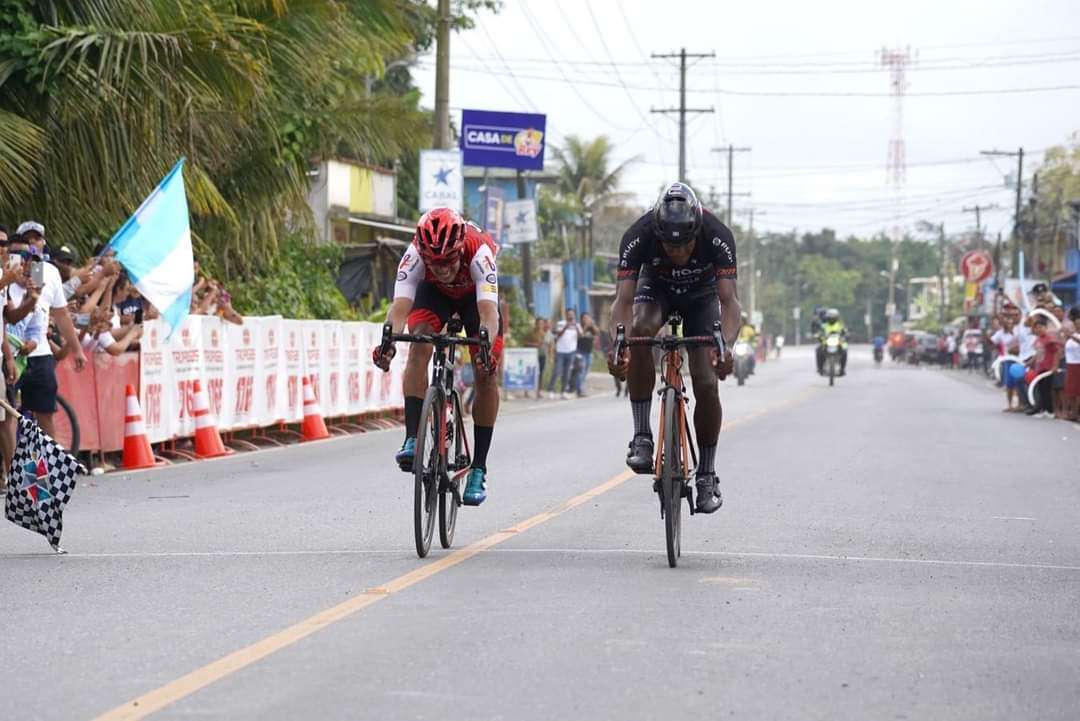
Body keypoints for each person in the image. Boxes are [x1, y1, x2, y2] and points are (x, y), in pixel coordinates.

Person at [607, 182, 740, 514]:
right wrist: (619, 343)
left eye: (685, 246)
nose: (678, 254)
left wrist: (725, 346)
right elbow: (623, 302)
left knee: (707, 381)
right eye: (669, 246)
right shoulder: (639, 235)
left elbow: (730, 304)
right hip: (657, 290)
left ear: (698, 230)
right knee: (639, 331)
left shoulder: (717, 234)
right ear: (657, 232)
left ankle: (707, 474)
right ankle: (642, 436)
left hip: (702, 297)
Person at [372, 207, 502, 506]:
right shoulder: (415, 254)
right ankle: (413, 438)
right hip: (435, 296)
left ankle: (479, 468)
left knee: (485, 373)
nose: (442, 268)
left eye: (447, 260)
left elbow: (488, 315)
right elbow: (400, 307)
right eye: (435, 262)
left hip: (474, 299)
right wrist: (388, 340)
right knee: (418, 341)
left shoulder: (480, 253)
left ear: (459, 249)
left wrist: (484, 349)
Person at [4, 227, 87, 439]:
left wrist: (77, 349)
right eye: (18, 253)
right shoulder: (5, 272)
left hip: (39, 355)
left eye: (34, 244)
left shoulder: (47, 273)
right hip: (8, 355)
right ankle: (11, 468)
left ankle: (47, 467)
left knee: (45, 413)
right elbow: (9, 317)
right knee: (8, 417)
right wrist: (10, 280)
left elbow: (60, 314)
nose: (24, 260)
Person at [1026, 317, 1061, 418]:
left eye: (1041, 327)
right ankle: (1042, 409)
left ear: (1045, 327)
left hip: (1048, 368)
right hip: (1039, 368)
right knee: (1041, 389)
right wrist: (1030, 362)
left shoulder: (1049, 339)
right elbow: (1038, 353)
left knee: (1047, 390)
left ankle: (1050, 411)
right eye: (1036, 328)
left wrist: (1055, 366)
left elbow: (1057, 352)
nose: (1039, 329)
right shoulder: (1038, 339)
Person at [547, 308, 580, 399]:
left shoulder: (576, 325)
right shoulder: (560, 323)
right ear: (566, 315)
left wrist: (576, 327)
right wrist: (566, 326)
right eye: (569, 314)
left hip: (571, 351)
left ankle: (563, 391)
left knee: (567, 373)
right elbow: (558, 335)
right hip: (560, 351)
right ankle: (551, 390)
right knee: (556, 371)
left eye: (572, 314)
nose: (570, 316)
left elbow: (581, 335)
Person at [816, 308, 848, 376]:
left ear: (837, 318)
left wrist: (846, 336)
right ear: (827, 318)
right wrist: (819, 336)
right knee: (818, 349)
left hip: (838, 342)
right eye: (830, 318)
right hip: (826, 342)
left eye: (833, 318)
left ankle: (842, 369)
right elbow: (819, 333)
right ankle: (820, 368)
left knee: (845, 350)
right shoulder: (824, 325)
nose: (832, 319)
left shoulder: (840, 325)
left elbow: (845, 332)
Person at [573, 312, 598, 397]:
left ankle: (580, 387)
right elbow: (580, 335)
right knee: (581, 371)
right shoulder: (578, 326)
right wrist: (586, 326)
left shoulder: (591, 328)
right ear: (581, 319)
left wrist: (592, 325)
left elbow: (597, 333)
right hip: (580, 352)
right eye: (584, 318)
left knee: (586, 371)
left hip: (589, 352)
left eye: (588, 318)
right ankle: (579, 390)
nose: (586, 320)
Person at [1064, 306, 1080, 421]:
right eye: (1076, 323)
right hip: (1070, 364)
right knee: (1071, 391)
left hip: (1078, 364)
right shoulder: (1071, 336)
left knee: (1078, 391)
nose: (1077, 325)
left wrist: (1071, 336)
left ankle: (1077, 413)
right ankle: (1072, 412)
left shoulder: (1074, 336)